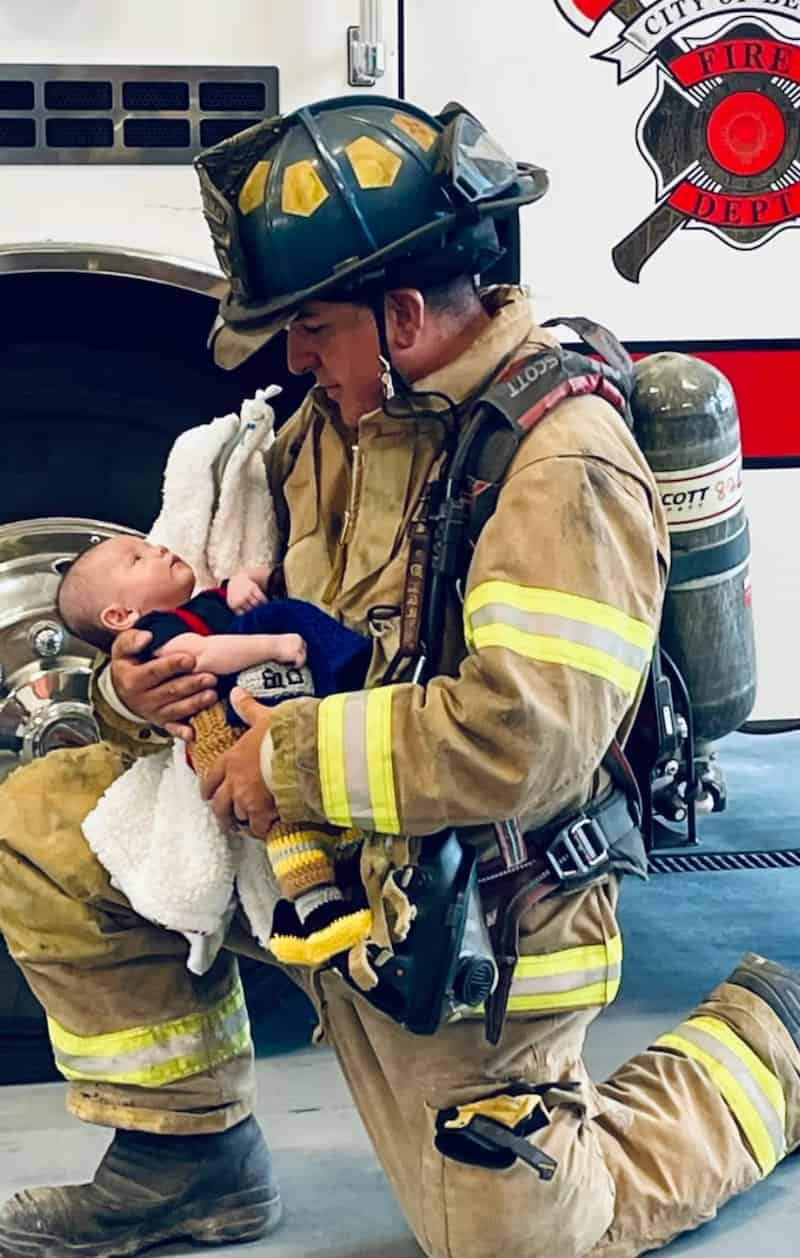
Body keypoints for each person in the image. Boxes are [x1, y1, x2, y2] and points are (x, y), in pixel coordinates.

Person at [0, 94, 799, 1258]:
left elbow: (523, 739)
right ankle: (187, 1163)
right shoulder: (332, 424)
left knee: (520, 1240)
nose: (294, 356)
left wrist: (288, 757)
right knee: (41, 818)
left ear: (405, 315)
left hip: (474, 910)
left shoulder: (558, 465)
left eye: (313, 326)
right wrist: (141, 690)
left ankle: (771, 1038)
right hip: (320, 858)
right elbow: (226, 613)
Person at [57, 534, 373, 963]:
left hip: (300, 711)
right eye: (138, 558)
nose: (160, 549)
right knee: (283, 822)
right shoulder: (157, 631)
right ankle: (315, 905)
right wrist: (273, 645)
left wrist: (247, 581)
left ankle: (330, 887)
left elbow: (274, 579)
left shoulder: (203, 602)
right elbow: (202, 654)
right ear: (120, 615)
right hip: (229, 733)